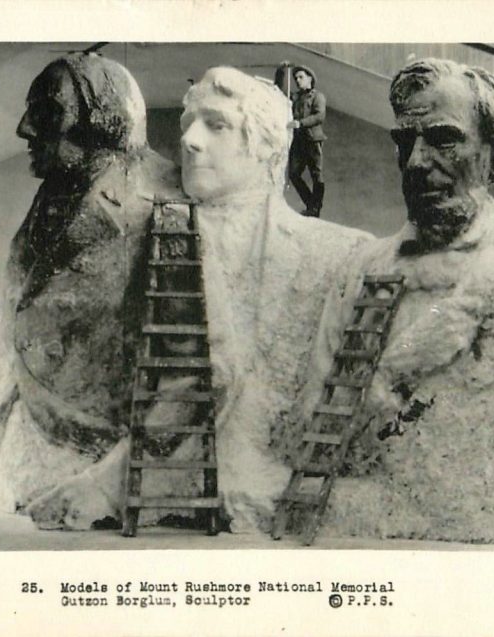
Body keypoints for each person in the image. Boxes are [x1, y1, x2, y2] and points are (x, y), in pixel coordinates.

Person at [301, 59, 494, 543]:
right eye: (405, 142)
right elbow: (313, 427)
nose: (416, 162)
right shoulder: (361, 270)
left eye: (442, 139)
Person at [0, 52, 181, 530]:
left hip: (96, 439)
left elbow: (187, 359)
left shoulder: (162, 203)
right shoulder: (52, 194)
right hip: (33, 427)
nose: (24, 129)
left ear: (100, 121)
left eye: (46, 112)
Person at [178, 67, 372, 532]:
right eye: (187, 124)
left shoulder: (342, 252)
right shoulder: (153, 238)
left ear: (266, 144)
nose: (189, 140)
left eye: (216, 124)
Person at [287, 65, 327, 217]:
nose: (297, 80)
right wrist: (283, 71)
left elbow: (319, 116)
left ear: (310, 78)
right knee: (293, 173)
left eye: (301, 77)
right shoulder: (295, 97)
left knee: (316, 174)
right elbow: (282, 92)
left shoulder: (318, 96)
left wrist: (300, 123)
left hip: (312, 139)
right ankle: (311, 204)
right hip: (299, 141)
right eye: (296, 78)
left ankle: (315, 209)